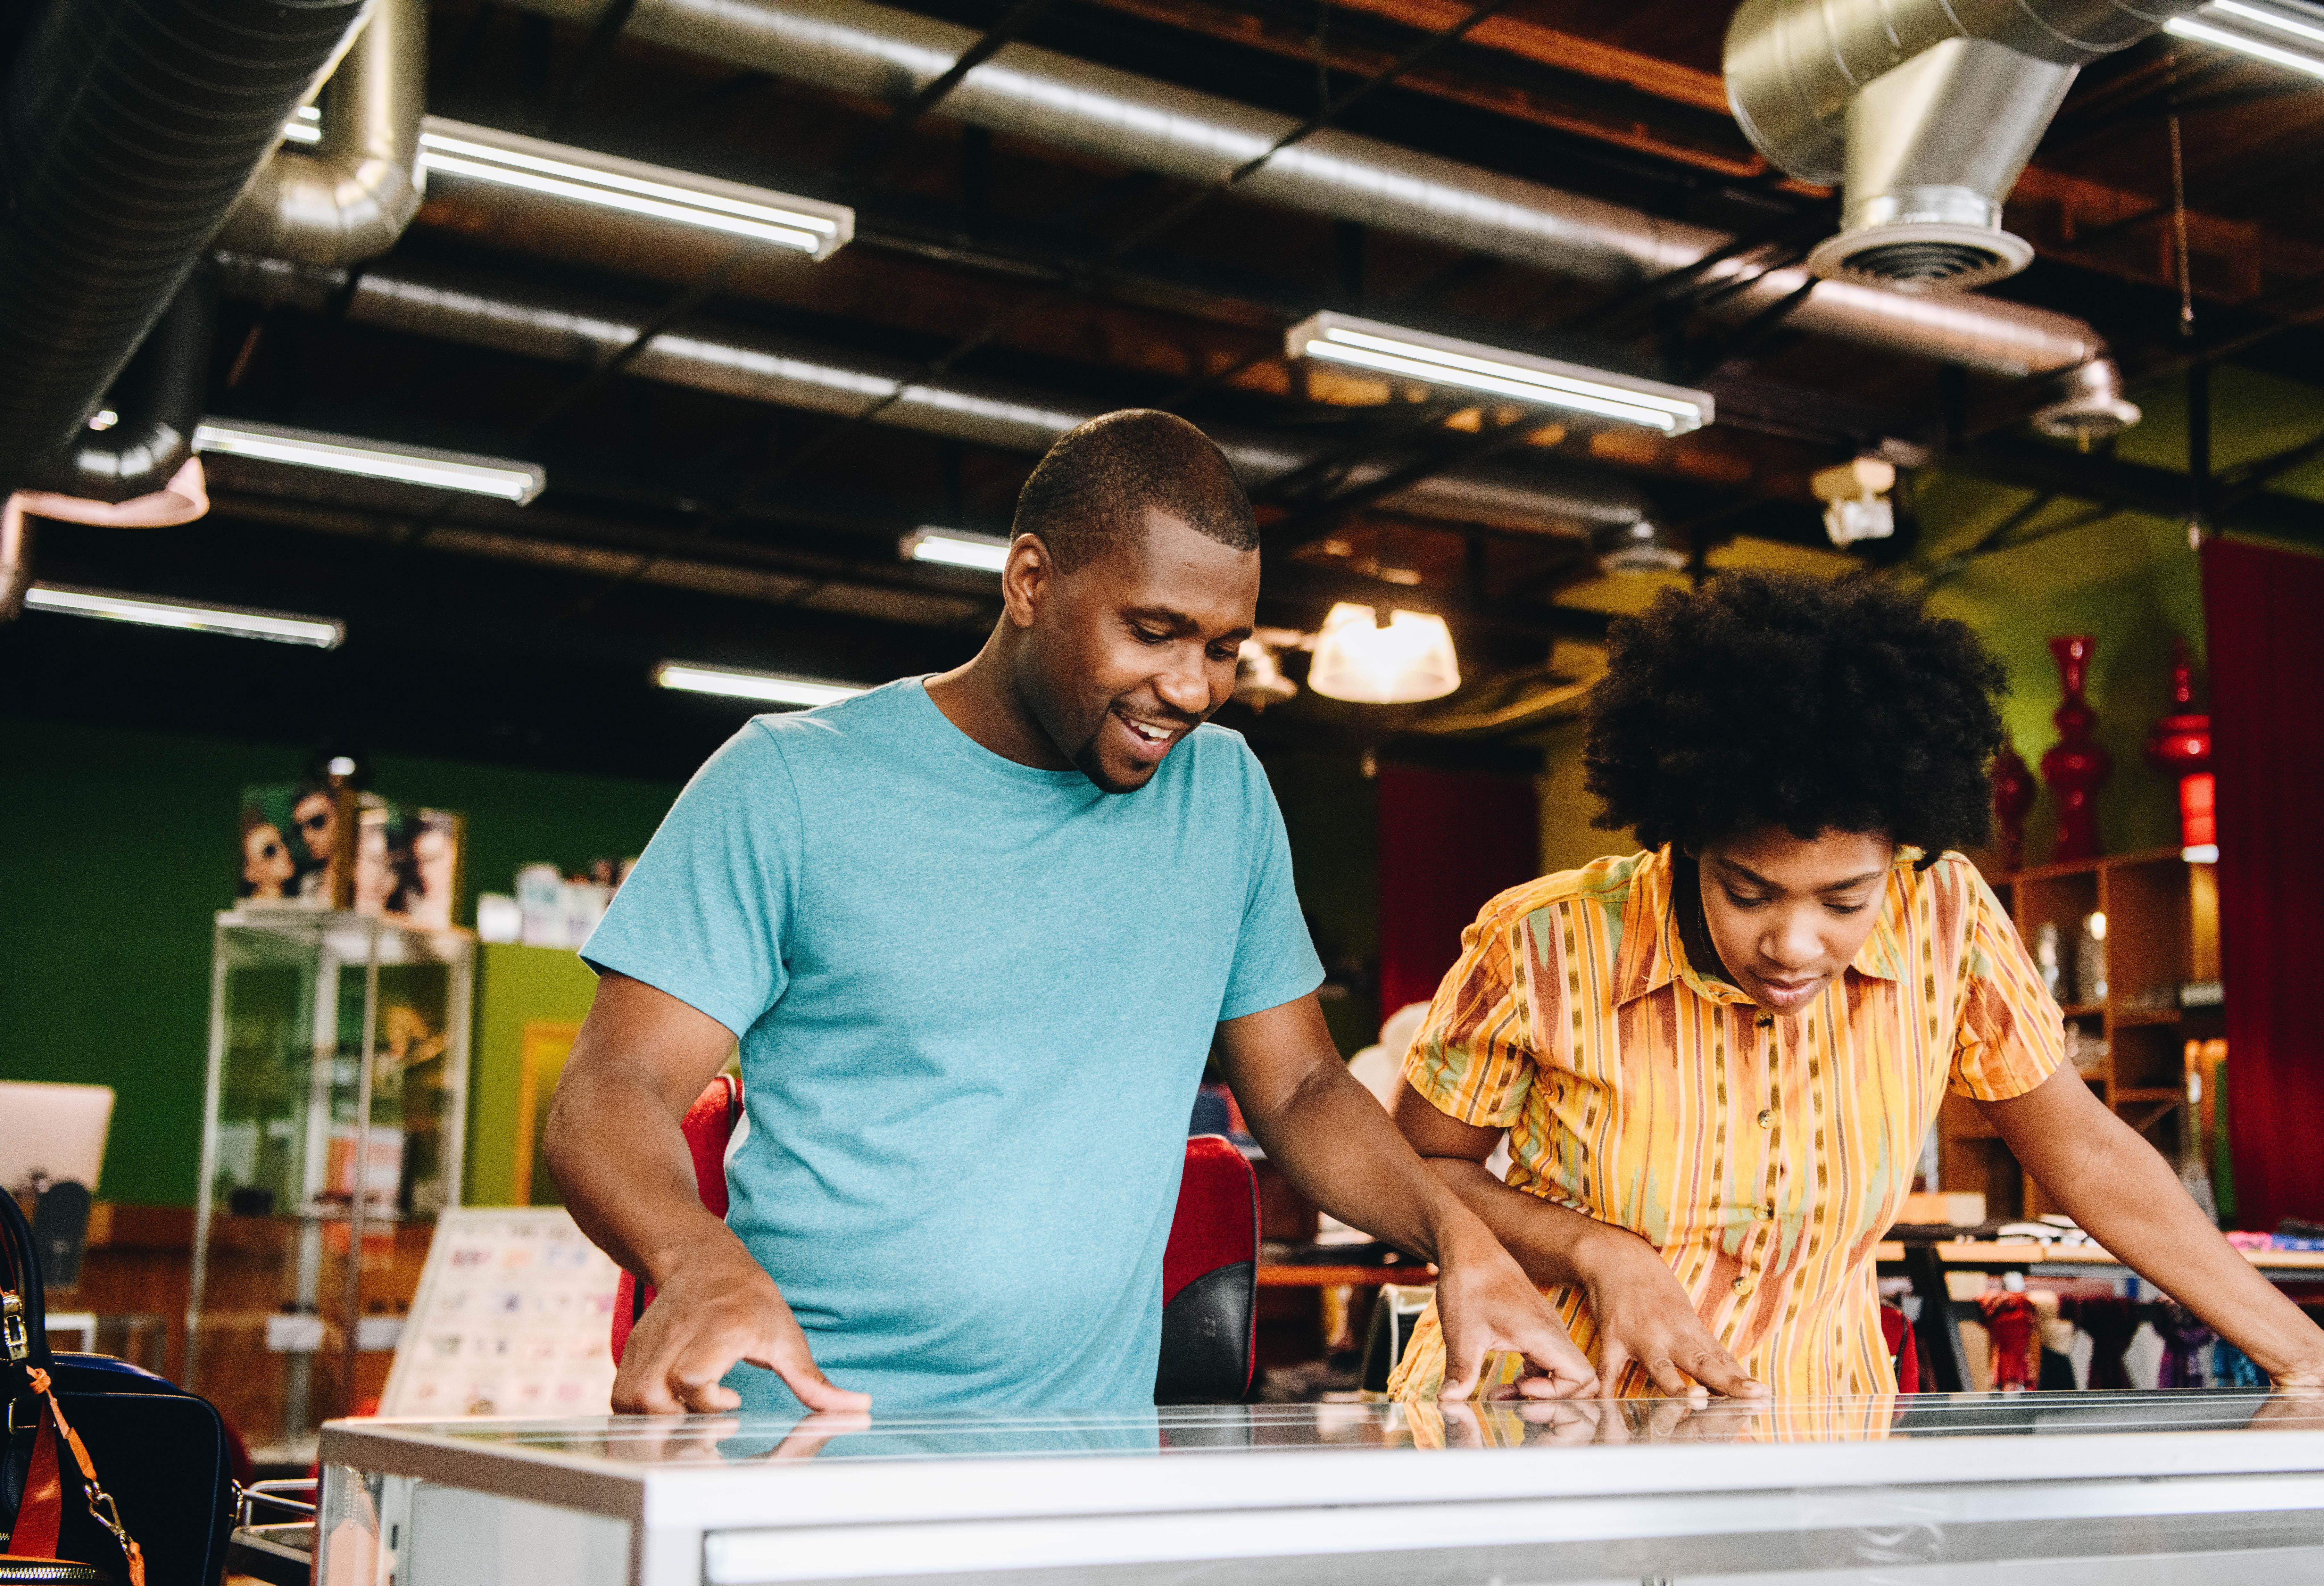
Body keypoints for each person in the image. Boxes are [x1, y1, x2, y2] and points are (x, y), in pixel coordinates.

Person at [546, 410, 1596, 1416]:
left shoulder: (1220, 800)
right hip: (805, 1433)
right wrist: (698, 1260)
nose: (1190, 688)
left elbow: (1308, 1087)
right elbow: (612, 1087)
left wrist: (1455, 1235)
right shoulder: (789, 785)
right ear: (1032, 581)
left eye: (1224, 648)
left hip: (1079, 1454)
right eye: (1154, 632)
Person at [1384, 570, 2324, 1403]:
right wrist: (1598, 1250)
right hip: (1553, 1410)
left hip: (1806, 1424)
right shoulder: (1547, 941)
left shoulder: (1949, 921)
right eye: (1749, 890)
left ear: (1903, 855)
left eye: (1845, 898)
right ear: (1686, 831)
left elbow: (2089, 1153)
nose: (1794, 943)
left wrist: (2298, 1347)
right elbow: (1419, 1169)